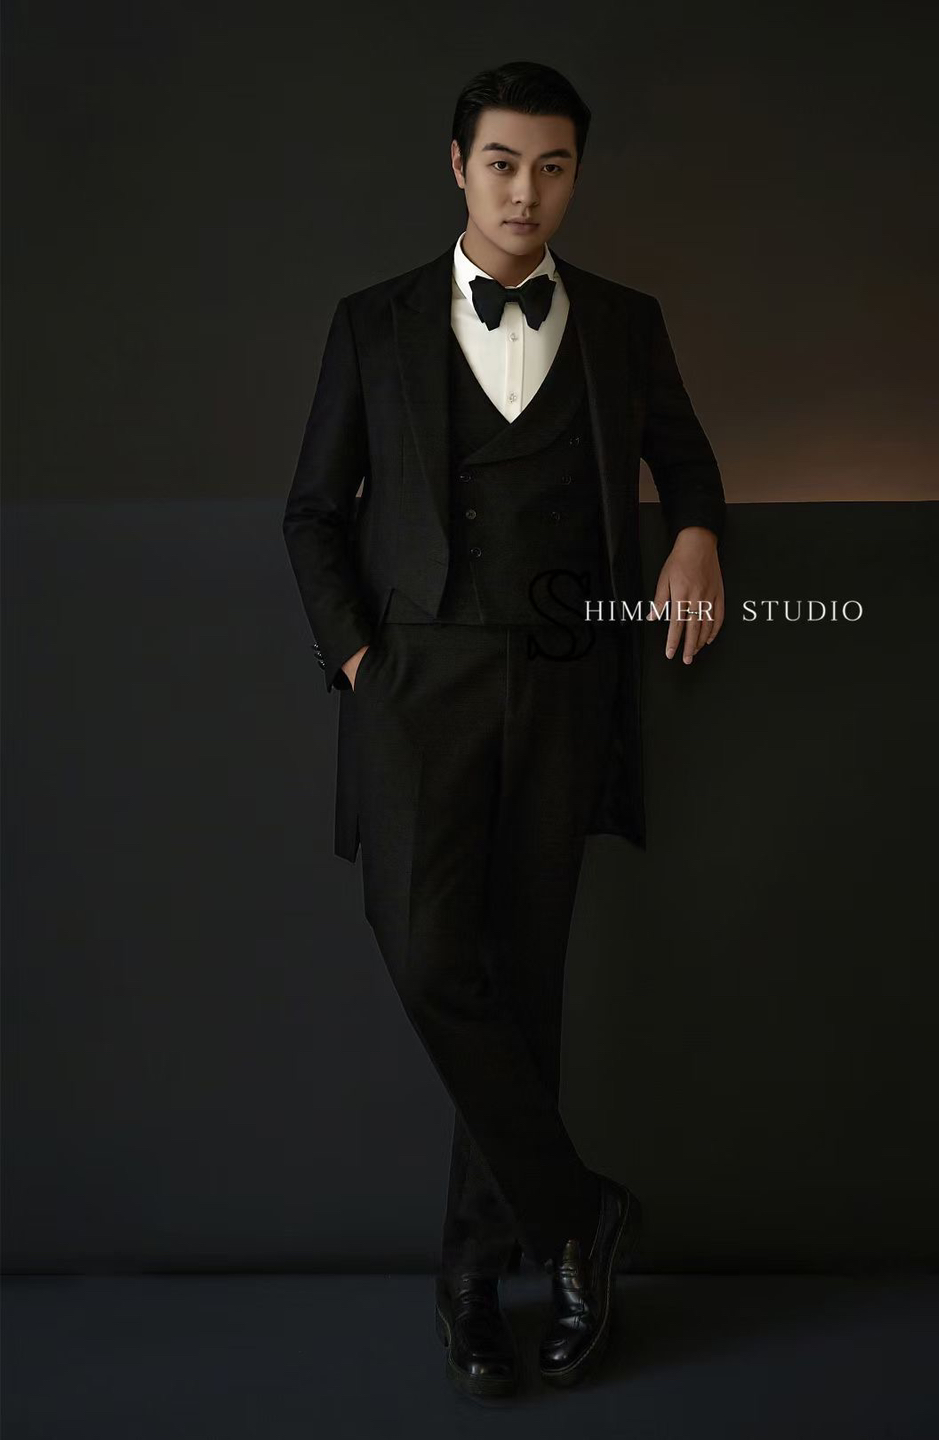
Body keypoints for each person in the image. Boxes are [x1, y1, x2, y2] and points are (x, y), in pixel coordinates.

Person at [282, 59, 726, 1397]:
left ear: (574, 177)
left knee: (525, 984)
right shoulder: (372, 321)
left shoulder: (627, 322)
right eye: (502, 162)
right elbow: (312, 512)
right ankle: (579, 1213)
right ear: (458, 165)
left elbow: (685, 458)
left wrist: (697, 534)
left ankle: (475, 1281)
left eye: (552, 166)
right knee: (430, 956)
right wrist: (361, 658)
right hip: (416, 683)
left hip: (568, 680)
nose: (525, 190)